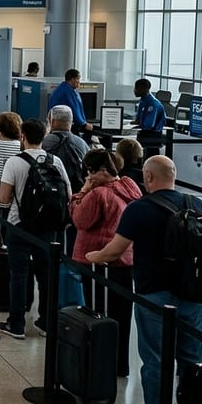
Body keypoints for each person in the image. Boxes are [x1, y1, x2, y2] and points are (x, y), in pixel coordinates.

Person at [85, 156, 202, 404]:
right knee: (190, 358)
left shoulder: (139, 209)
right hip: (192, 293)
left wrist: (95, 255)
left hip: (154, 293)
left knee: (154, 358)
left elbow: (116, 250)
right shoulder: (196, 204)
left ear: (149, 177)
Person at [0, 118, 72, 340]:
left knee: (19, 275)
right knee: (46, 275)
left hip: (19, 226)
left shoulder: (15, 162)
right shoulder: (55, 161)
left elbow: (3, 197)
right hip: (48, 228)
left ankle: (16, 323)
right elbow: (67, 195)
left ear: (23, 137)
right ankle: (46, 322)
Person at [68, 149, 140, 377]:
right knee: (121, 316)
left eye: (90, 172)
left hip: (98, 260)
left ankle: (100, 362)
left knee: (98, 314)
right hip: (125, 259)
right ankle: (119, 364)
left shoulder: (98, 194)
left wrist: (81, 192)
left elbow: (80, 219)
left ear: (101, 171)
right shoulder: (130, 186)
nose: (88, 176)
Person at [133, 78, 166, 156]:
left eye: (137, 88)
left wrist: (137, 125)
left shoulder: (153, 103)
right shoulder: (143, 100)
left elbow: (148, 125)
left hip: (152, 136)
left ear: (145, 89)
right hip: (144, 134)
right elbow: (138, 119)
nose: (134, 90)